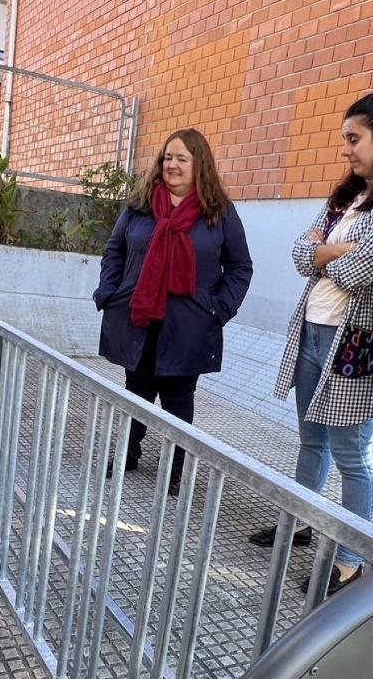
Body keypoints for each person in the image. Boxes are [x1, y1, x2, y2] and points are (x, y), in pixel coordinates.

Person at [256, 90, 373, 594]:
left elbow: (358, 270)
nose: (346, 151)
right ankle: (299, 522)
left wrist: (325, 252)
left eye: (354, 139)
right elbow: (298, 252)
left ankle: (352, 558)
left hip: (356, 343)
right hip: (312, 330)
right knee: (311, 439)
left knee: (355, 454)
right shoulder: (348, 195)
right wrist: (333, 249)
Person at [93, 129, 253, 494]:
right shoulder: (141, 205)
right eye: (168, 158)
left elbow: (241, 267)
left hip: (189, 323)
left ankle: (177, 465)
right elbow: (114, 250)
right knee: (136, 389)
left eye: (182, 158)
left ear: (200, 165)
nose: (172, 165)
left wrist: (218, 309)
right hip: (140, 316)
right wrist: (109, 291)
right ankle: (129, 451)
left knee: (179, 396)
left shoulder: (219, 212)